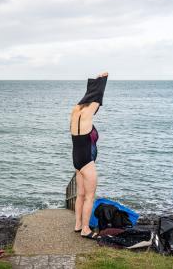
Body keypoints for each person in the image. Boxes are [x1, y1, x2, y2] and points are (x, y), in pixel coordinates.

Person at [70, 72, 108, 239]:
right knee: (90, 196)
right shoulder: (87, 114)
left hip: (76, 159)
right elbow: (98, 97)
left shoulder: (76, 110)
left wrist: (95, 81)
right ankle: (85, 229)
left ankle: (78, 224)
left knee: (80, 194)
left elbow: (91, 97)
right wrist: (103, 80)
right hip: (86, 160)